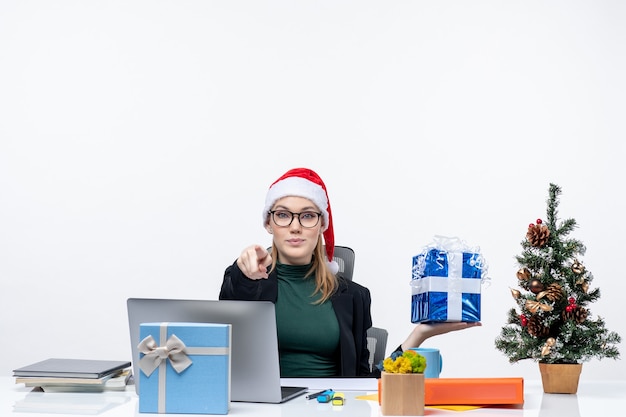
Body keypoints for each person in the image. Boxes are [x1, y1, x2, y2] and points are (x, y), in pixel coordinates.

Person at [219, 167, 480, 377]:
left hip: (332, 408)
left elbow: (366, 382)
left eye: (308, 216)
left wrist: (421, 333)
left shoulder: (352, 296)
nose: (295, 227)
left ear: (322, 224)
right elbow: (226, 327)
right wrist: (243, 274)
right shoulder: (247, 279)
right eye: (283, 215)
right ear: (268, 223)